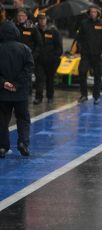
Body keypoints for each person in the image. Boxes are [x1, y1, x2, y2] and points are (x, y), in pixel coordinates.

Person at [0, 5, 34, 158]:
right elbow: (28, 69)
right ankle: (23, 143)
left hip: (3, 92)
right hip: (20, 92)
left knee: (2, 120)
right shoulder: (25, 49)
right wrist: (17, 84)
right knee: (23, 118)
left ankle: (2, 147)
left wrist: (4, 83)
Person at [76, 5, 102, 104]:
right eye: (91, 12)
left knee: (97, 75)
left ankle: (96, 96)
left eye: (95, 12)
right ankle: (84, 94)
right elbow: (79, 38)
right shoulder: (84, 23)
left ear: (98, 13)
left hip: (98, 54)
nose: (93, 14)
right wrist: (80, 47)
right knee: (82, 72)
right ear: (89, 13)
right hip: (86, 54)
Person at [34, 12, 62, 104]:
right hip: (39, 60)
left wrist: (54, 57)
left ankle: (50, 96)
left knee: (50, 79)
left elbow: (59, 47)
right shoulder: (35, 30)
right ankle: (38, 97)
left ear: (47, 20)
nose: (42, 21)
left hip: (51, 61)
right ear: (38, 20)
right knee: (39, 79)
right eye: (40, 19)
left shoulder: (53, 31)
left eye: (43, 19)